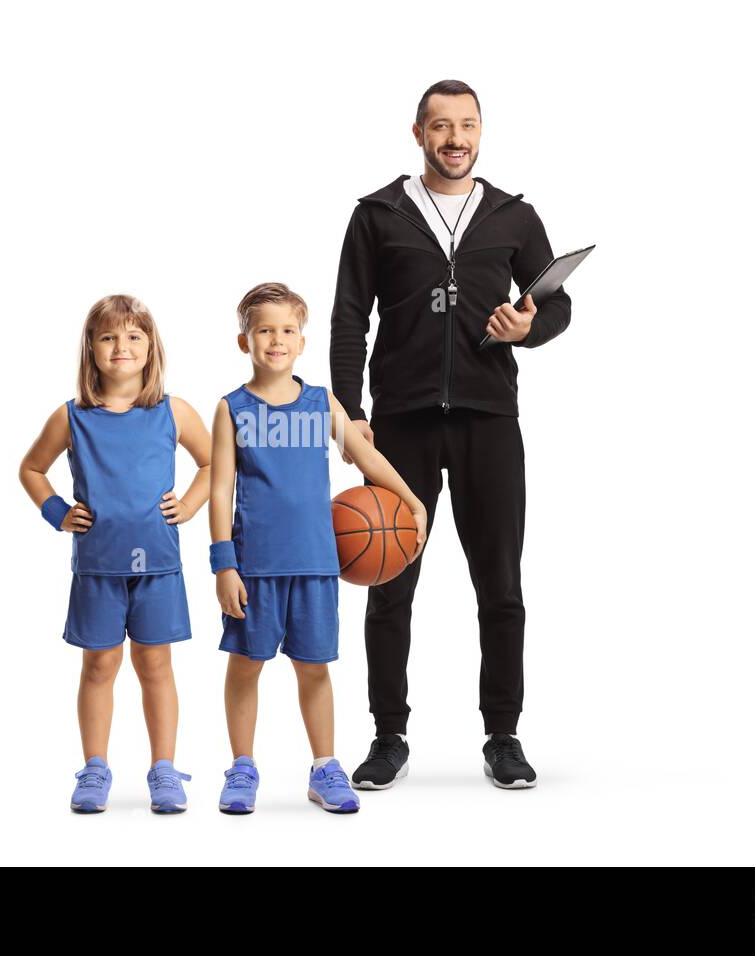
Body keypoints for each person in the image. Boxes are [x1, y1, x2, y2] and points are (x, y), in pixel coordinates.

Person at [329, 79, 573, 790]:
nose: (455, 138)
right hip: (399, 423)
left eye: (466, 125)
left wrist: (529, 328)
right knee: (390, 583)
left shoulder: (513, 217)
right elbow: (350, 317)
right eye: (441, 126)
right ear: (418, 134)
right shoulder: (377, 214)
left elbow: (556, 306)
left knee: (500, 585)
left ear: (481, 131)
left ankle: (504, 734)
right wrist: (349, 412)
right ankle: (388, 735)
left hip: (487, 420)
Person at [208, 282, 427, 814]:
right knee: (245, 666)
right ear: (245, 341)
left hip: (316, 564)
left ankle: (325, 766)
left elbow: (368, 460)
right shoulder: (231, 408)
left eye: (287, 330)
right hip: (254, 566)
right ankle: (242, 766)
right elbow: (219, 489)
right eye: (264, 330)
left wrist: (411, 499)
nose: (276, 340)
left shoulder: (322, 403)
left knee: (314, 668)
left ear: (302, 342)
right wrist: (223, 565)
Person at [18, 294, 212, 813]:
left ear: (151, 348)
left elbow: (215, 463)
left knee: (155, 665)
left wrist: (190, 504)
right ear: (91, 349)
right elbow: (31, 470)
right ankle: (95, 768)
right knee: (100, 666)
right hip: (97, 566)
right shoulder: (73, 416)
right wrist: (57, 511)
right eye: (108, 337)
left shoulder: (173, 410)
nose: (120, 347)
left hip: (159, 564)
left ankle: (164, 770)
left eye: (132, 336)